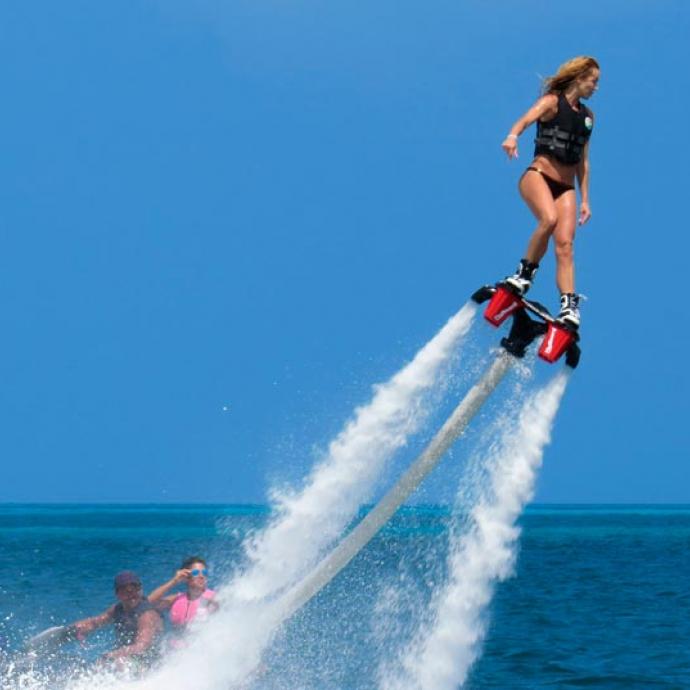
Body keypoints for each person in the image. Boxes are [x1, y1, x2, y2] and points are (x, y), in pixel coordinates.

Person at [500, 56, 600, 328]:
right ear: (579, 77)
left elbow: (583, 161)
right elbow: (524, 121)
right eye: (593, 81)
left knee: (565, 245)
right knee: (549, 219)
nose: (596, 87)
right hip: (538, 176)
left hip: (566, 187)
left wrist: (586, 200)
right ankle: (523, 274)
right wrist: (512, 137)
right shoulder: (552, 102)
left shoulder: (588, 117)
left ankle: (568, 306)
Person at [70, 571, 163, 670]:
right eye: (125, 591)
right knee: (85, 667)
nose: (131, 595)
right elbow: (95, 622)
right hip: (125, 657)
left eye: (134, 589)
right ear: (117, 594)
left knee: (118, 664)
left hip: (149, 663)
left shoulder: (147, 615)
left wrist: (113, 655)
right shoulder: (118, 609)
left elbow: (142, 645)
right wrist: (73, 629)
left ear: (140, 589)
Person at [148, 556, 217, 646]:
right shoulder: (177, 599)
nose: (201, 576)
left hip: (202, 651)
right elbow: (148, 603)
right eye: (196, 572)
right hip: (176, 653)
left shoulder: (213, 598)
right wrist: (174, 580)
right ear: (187, 576)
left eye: (204, 572)